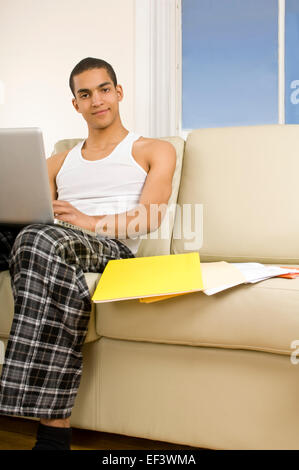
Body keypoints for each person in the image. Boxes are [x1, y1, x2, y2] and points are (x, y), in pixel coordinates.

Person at [0, 57, 176, 450]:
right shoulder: (56, 162)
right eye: (85, 93)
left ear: (119, 93)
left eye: (104, 89)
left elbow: (148, 217)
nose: (96, 100)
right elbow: (33, 218)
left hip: (111, 248)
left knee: (39, 241)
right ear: (75, 103)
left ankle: (53, 431)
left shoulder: (153, 149)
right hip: (54, 241)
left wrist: (85, 219)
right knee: (35, 240)